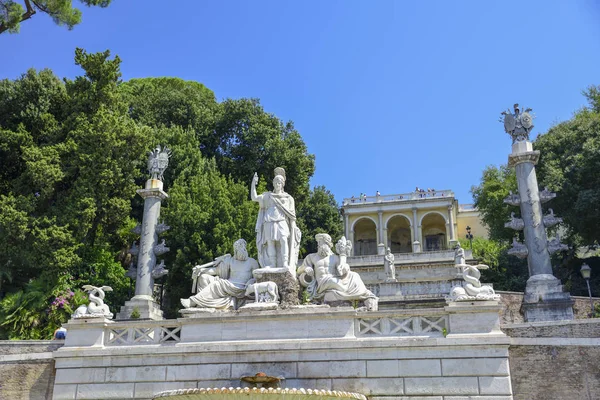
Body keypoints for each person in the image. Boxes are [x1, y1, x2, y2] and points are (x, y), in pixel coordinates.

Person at [297, 233, 377, 305]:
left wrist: (344, 267)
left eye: (321, 243)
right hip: (322, 282)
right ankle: (349, 293)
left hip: (334, 279)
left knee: (354, 275)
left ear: (328, 245)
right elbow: (299, 270)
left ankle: (363, 293)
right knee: (332, 281)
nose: (319, 245)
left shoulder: (335, 257)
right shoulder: (311, 257)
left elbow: (342, 270)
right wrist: (305, 268)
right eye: (318, 243)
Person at [181, 239, 259, 309]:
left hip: (241, 288)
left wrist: (250, 282)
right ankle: (202, 305)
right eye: (238, 249)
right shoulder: (230, 261)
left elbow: (257, 278)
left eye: (242, 249)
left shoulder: (252, 262)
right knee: (203, 277)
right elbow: (215, 271)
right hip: (228, 284)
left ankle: (193, 301)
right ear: (235, 251)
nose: (241, 252)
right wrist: (201, 270)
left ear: (245, 249)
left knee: (216, 284)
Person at [251, 168, 300, 273]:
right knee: (270, 243)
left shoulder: (288, 198)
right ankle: (272, 264)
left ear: (282, 184)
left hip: (282, 221)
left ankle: (285, 263)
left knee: (283, 240)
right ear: (273, 184)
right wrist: (253, 184)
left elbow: (292, 215)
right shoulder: (267, 196)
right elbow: (254, 197)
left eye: (279, 182)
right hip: (269, 221)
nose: (277, 184)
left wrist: (293, 227)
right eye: (276, 182)